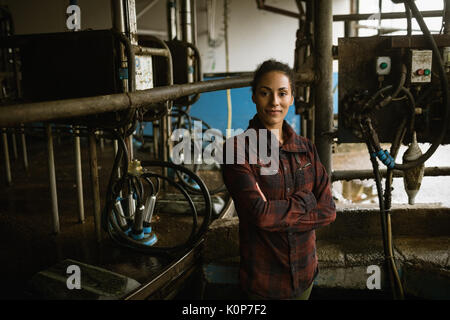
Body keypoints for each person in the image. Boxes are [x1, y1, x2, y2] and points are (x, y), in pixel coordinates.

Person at [222, 59, 336, 300]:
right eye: (265, 93)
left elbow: (328, 210)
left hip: (306, 276)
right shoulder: (236, 150)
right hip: (264, 284)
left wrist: (276, 217)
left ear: (292, 97)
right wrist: (306, 201)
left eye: (282, 93)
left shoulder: (306, 148)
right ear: (254, 96)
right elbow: (260, 215)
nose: (274, 102)